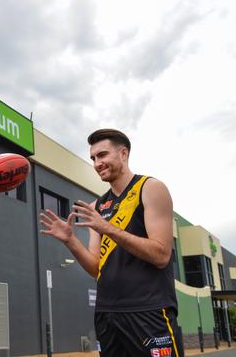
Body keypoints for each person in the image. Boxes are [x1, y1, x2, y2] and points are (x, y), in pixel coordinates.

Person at [39, 128, 181, 357]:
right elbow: (97, 268)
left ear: (123, 154)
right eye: (93, 158)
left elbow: (161, 255)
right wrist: (71, 241)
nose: (97, 163)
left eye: (103, 155)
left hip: (148, 311)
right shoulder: (97, 207)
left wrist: (106, 227)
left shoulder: (150, 188)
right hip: (108, 314)